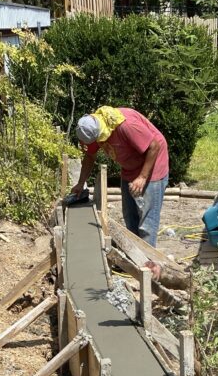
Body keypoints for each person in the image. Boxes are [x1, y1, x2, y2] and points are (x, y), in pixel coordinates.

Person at [71, 106, 169, 263]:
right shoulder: (91, 130)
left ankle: (148, 264)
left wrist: (142, 177)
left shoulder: (126, 125)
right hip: (130, 167)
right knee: (130, 216)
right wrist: (80, 183)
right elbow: (89, 157)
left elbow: (154, 146)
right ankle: (136, 258)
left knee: (147, 222)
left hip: (152, 167)